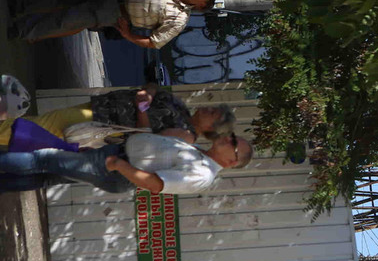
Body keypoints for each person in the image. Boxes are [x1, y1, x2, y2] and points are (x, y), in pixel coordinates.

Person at [0, 130, 253, 194]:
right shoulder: (200, 153)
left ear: (231, 163)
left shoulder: (203, 175)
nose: (228, 139)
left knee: (45, 158)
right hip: (115, 155)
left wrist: (119, 165)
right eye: (232, 137)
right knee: (50, 175)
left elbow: (156, 184)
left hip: (116, 168)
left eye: (233, 145)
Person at [0, 85, 235, 147]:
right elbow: (153, 85)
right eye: (211, 107)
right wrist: (149, 93)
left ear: (211, 128)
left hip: (102, 122)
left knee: (40, 127)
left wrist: (142, 110)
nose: (206, 108)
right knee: (41, 128)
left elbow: (147, 137)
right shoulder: (182, 108)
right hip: (102, 105)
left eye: (211, 113)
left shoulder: (187, 136)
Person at [12, 0, 216, 48]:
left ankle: (20, 31)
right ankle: (18, 5)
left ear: (201, 6)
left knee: (66, 21)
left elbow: (155, 42)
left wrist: (128, 34)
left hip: (114, 13)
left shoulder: (180, 19)